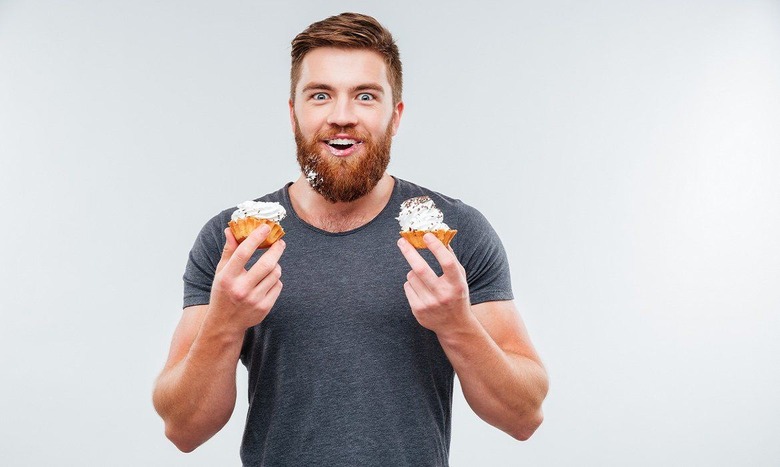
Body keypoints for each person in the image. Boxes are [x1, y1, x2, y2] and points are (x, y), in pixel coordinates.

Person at [152, 12, 548, 466]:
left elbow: (524, 415)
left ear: (394, 116)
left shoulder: (453, 234)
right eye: (320, 95)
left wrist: (457, 325)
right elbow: (182, 429)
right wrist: (224, 322)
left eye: (365, 96)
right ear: (293, 112)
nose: (342, 116)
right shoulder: (235, 243)